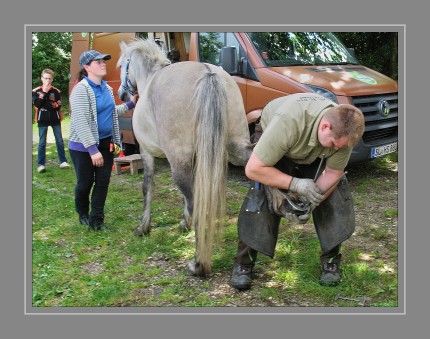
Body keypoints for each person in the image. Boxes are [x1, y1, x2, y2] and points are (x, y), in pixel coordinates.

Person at [230, 93, 365, 290]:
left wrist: (311, 203)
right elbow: (253, 169)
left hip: (312, 146)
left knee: (335, 196)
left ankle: (331, 262)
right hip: (277, 138)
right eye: (335, 145)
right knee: (259, 196)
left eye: (341, 147)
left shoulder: (343, 135)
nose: (337, 149)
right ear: (325, 126)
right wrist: (296, 184)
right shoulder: (288, 122)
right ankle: (243, 264)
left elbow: (333, 173)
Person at [68, 50, 138, 231]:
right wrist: (92, 150)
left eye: (104, 60)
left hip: (106, 143)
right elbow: (81, 121)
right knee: (85, 184)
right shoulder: (81, 90)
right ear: (86, 67)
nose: (102, 63)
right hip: (83, 147)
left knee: (102, 182)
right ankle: (82, 213)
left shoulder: (106, 88)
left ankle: (96, 221)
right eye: (97, 61)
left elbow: (111, 112)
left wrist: (131, 104)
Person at [33, 69, 70, 173]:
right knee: (42, 142)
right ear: (41, 78)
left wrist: (45, 104)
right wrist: (44, 92)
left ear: (52, 79)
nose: (47, 81)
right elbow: (37, 104)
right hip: (42, 120)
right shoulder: (36, 91)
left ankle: (63, 161)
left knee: (59, 140)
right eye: (45, 78)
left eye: (49, 78)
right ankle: (41, 164)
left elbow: (57, 106)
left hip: (55, 119)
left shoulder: (56, 91)